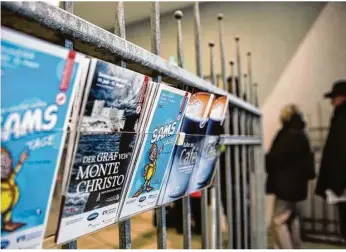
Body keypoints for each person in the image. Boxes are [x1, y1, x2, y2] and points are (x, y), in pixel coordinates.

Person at [266, 104, 315, 249]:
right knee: (292, 218)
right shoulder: (301, 134)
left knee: (278, 221)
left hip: (285, 186)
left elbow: (277, 158)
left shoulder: (286, 134)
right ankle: (296, 247)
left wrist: (265, 159)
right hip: (298, 186)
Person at [315, 80, 346, 242]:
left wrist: (337, 183)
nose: (332, 102)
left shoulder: (342, 119)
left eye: (334, 98)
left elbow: (339, 153)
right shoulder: (340, 117)